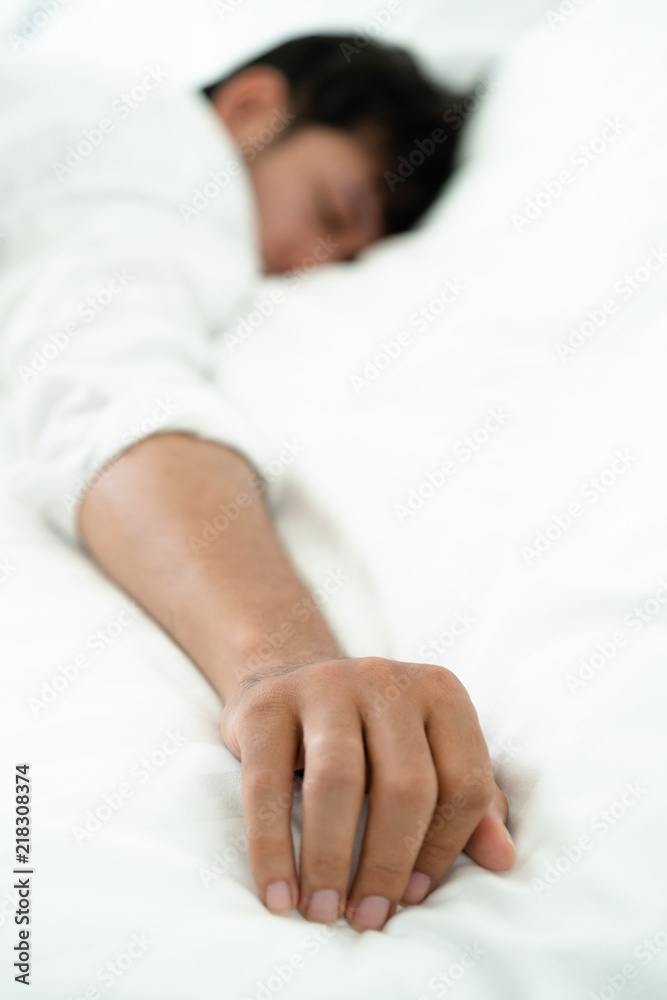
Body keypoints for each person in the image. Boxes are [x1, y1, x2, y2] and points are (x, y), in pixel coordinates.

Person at [0, 34, 514, 934]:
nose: (316, 262)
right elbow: (95, 371)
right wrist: (285, 662)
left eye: (349, 254)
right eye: (328, 208)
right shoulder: (169, 154)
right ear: (249, 109)